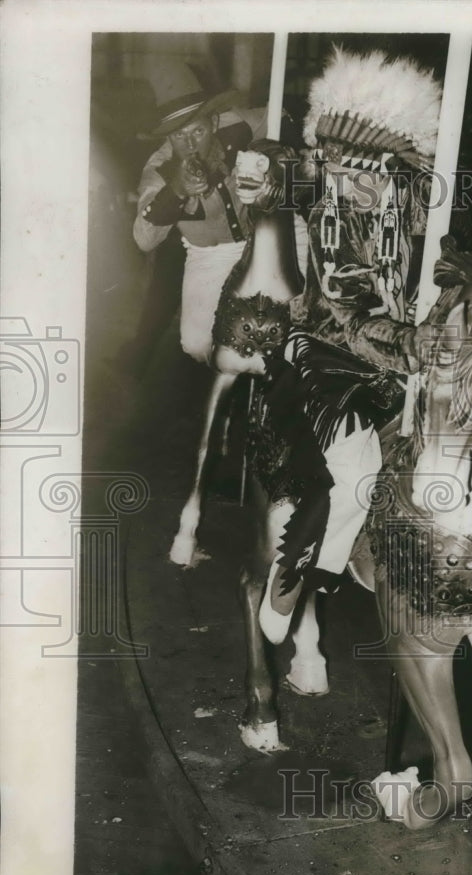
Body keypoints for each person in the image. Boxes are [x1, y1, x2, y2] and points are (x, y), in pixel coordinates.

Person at [221, 46, 443, 644]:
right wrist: (410, 341)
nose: (351, 179)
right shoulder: (331, 213)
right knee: (355, 471)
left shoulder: (410, 204)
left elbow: (451, 239)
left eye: (367, 169)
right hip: (332, 355)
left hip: (404, 360)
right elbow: (348, 314)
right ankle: (296, 569)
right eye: (339, 165)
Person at [133, 78, 267, 363]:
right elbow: (143, 240)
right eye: (179, 136)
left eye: (198, 131)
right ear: (168, 137)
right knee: (196, 345)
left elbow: (279, 116)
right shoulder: (159, 170)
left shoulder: (238, 124)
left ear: (214, 123)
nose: (190, 144)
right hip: (208, 256)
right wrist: (177, 190)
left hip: (260, 242)